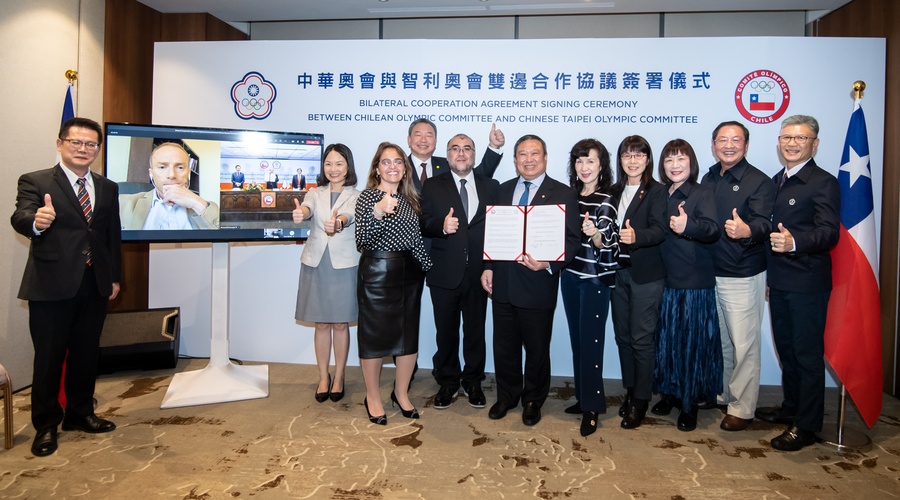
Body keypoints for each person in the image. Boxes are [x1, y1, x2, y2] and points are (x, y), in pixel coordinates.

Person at [11, 117, 122, 457]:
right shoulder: (36, 180)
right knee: (48, 357)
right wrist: (37, 222)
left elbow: (110, 236)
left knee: (87, 354)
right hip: (51, 285)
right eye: (76, 142)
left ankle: (80, 414)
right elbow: (21, 216)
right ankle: (45, 426)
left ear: (98, 150)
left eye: (91, 144)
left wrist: (114, 277)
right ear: (60, 143)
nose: (83, 149)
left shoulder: (107, 187)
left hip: (94, 283)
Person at [480, 134, 581, 427]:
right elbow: (493, 233)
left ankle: (533, 399)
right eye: (522, 154)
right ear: (514, 160)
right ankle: (507, 395)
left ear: (545, 157)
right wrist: (487, 265)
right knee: (504, 345)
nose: (528, 159)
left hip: (538, 285)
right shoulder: (502, 190)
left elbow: (573, 240)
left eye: (534, 153)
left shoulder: (563, 193)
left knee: (537, 349)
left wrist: (550, 263)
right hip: (503, 283)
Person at [757, 115, 840, 451]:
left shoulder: (823, 182)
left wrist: (795, 243)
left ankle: (806, 426)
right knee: (787, 351)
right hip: (779, 280)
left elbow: (829, 232)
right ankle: (791, 408)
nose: (792, 143)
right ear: (778, 142)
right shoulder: (777, 180)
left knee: (806, 354)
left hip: (807, 281)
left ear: (814, 144)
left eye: (801, 138)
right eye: (786, 137)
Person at [700, 121, 775, 432]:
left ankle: (743, 408)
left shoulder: (758, 181)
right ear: (714, 144)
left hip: (741, 272)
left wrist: (747, 231)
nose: (728, 145)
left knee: (745, 343)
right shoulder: (708, 177)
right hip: (710, 272)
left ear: (746, 144)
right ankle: (725, 393)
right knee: (722, 341)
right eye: (722, 139)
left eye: (735, 139)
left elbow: (763, 223)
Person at [419, 134, 499, 410]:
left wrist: (490, 266)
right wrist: (441, 226)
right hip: (444, 271)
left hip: (479, 273)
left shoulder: (492, 186)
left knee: (476, 331)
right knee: (447, 332)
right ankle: (448, 382)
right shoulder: (431, 185)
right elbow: (422, 223)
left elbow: (497, 232)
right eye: (455, 148)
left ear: (474, 155)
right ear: (447, 154)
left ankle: (473, 381)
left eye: (467, 149)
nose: (461, 153)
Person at [355, 142, 433, 425]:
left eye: (398, 162)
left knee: (407, 339)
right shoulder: (367, 197)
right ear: (377, 168)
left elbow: (415, 242)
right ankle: (373, 397)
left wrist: (430, 270)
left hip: (408, 274)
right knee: (374, 339)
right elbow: (362, 240)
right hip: (376, 273)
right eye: (386, 162)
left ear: (404, 168)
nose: (392, 167)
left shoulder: (411, 198)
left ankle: (401, 394)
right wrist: (378, 211)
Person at [651, 139, 722, 432]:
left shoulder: (701, 192)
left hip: (693, 282)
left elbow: (713, 230)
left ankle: (689, 403)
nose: (674, 165)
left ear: (691, 163)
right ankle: (669, 393)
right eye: (669, 160)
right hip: (663, 280)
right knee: (667, 343)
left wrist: (687, 226)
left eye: (680, 159)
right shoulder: (658, 193)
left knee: (691, 345)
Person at [559, 138, 620, 437]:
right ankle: (583, 397)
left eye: (591, 161)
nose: (584, 167)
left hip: (594, 280)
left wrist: (595, 233)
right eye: (579, 161)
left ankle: (593, 407)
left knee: (592, 343)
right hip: (569, 276)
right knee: (578, 340)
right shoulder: (570, 196)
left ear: (601, 165)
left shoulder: (606, 199)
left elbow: (608, 244)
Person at [292, 144, 360, 403]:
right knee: (321, 324)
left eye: (339, 163)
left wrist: (339, 221)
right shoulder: (314, 192)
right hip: (317, 263)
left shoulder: (357, 194)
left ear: (348, 166)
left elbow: (349, 215)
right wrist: (302, 213)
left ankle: (340, 375)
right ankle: (323, 376)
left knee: (341, 324)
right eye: (328, 164)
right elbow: (307, 208)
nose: (333, 169)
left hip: (344, 265)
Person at [610, 135, 667, 430]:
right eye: (627, 155)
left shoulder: (657, 191)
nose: (632, 161)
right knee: (622, 338)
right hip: (616, 273)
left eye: (638, 155)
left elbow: (660, 230)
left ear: (647, 159)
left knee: (641, 339)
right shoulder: (614, 190)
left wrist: (638, 236)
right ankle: (630, 390)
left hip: (646, 275)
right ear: (620, 160)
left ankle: (641, 400)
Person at [118, 142, 220, 230]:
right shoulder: (122, 203)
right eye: (162, 167)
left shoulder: (205, 208)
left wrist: (197, 203)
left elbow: (223, 238)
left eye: (180, 167)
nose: (171, 175)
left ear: (188, 173)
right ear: (151, 173)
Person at [407, 118, 505, 192]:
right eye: (418, 135)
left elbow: (480, 175)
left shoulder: (448, 164)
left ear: (435, 141)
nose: (423, 140)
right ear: (409, 140)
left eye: (429, 135)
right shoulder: (398, 167)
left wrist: (494, 146)